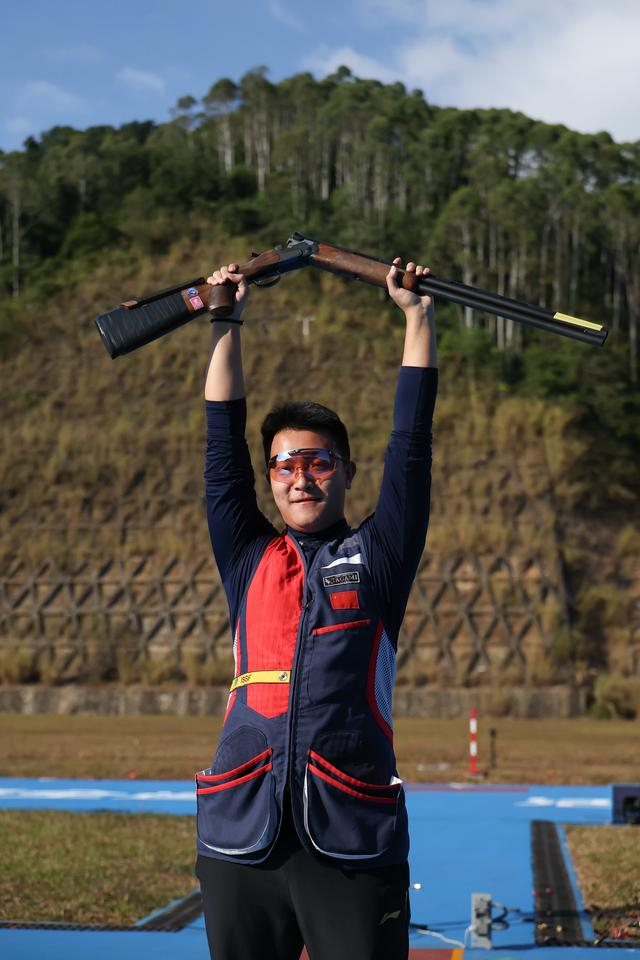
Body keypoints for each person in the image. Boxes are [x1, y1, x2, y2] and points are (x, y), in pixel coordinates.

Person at [196, 256, 438, 960]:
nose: (300, 478)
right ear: (270, 479)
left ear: (347, 473)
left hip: (352, 831)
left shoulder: (380, 554)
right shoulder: (248, 555)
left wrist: (417, 319)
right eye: (284, 465)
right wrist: (225, 321)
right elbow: (220, 444)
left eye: (319, 462)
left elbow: (411, 447)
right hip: (240, 830)